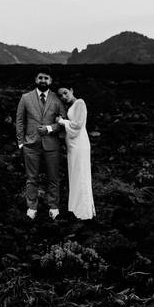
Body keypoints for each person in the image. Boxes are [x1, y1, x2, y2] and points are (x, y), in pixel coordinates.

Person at [15, 70, 68, 220]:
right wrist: (20, 143)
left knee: (53, 178)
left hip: (52, 145)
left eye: (46, 78)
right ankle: (32, 208)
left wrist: (50, 128)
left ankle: (54, 207)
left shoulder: (57, 99)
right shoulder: (25, 98)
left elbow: (63, 121)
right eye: (40, 78)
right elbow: (19, 121)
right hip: (30, 145)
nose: (43, 80)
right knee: (32, 178)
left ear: (50, 81)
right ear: (36, 79)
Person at [55, 84, 95, 220]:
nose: (63, 97)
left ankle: (83, 211)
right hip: (73, 145)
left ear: (72, 90)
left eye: (65, 93)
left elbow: (77, 125)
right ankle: (76, 209)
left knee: (81, 173)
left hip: (79, 143)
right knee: (75, 174)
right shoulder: (71, 107)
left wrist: (62, 121)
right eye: (60, 95)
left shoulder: (80, 103)